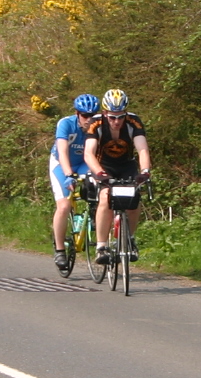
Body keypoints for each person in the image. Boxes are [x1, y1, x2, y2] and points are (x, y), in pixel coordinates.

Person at [83, 88, 151, 266]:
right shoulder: (95, 123)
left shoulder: (133, 121)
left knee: (134, 198)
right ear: (105, 113)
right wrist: (99, 173)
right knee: (105, 197)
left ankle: (129, 238)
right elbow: (88, 154)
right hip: (103, 166)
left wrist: (144, 171)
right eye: (112, 117)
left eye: (120, 116)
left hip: (126, 165)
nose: (116, 121)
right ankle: (101, 246)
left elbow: (142, 149)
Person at [50, 93, 101, 270]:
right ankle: (59, 249)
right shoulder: (66, 123)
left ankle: (95, 214)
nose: (89, 120)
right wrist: (68, 174)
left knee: (99, 184)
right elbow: (62, 152)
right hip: (62, 163)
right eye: (85, 116)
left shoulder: (100, 125)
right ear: (77, 113)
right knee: (64, 206)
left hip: (84, 163)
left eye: (93, 116)